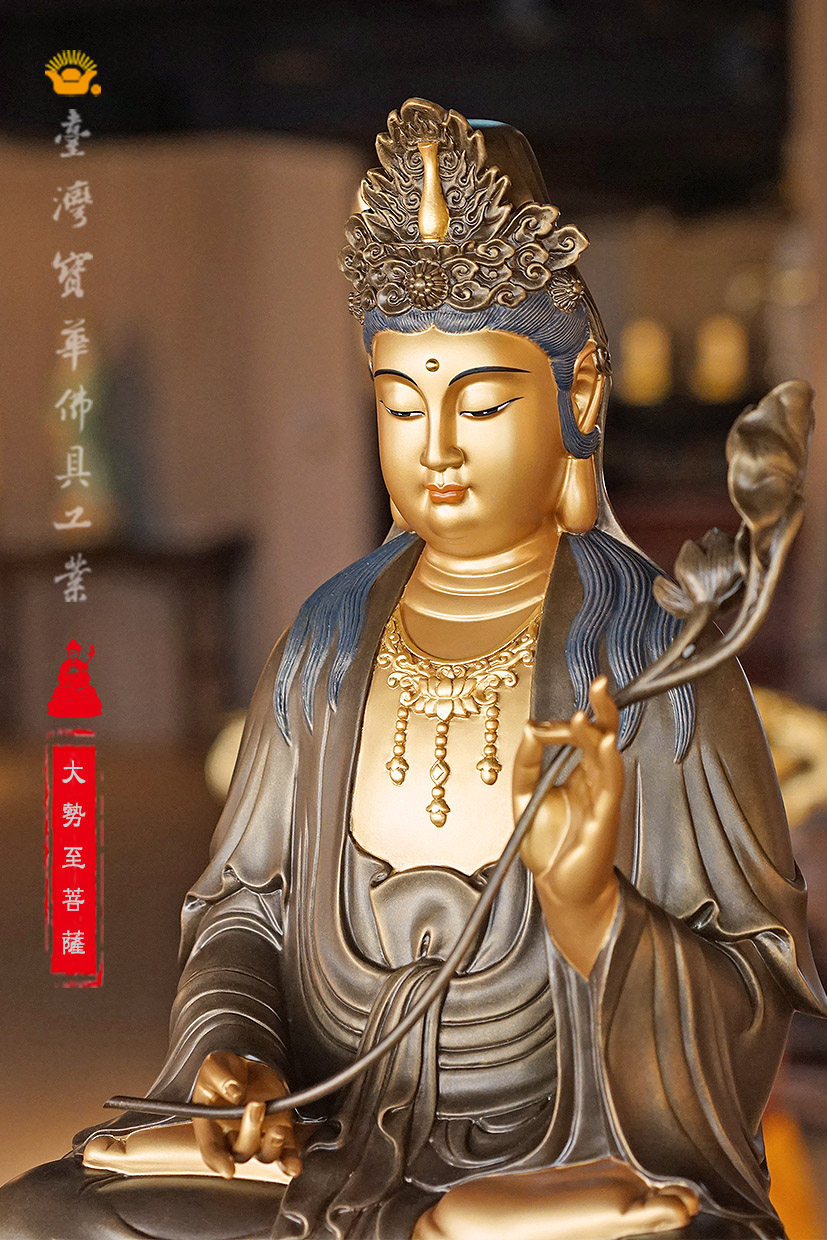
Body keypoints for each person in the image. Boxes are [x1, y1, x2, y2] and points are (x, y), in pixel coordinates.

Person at [1, 98, 824, 1240]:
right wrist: (236, 1058)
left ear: (578, 394)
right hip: (329, 1148)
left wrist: (596, 913)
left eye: (479, 403)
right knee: (47, 1213)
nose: (434, 447)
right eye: (399, 403)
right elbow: (242, 910)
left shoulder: (655, 655)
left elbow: (751, 993)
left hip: (564, 1168)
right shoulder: (327, 639)